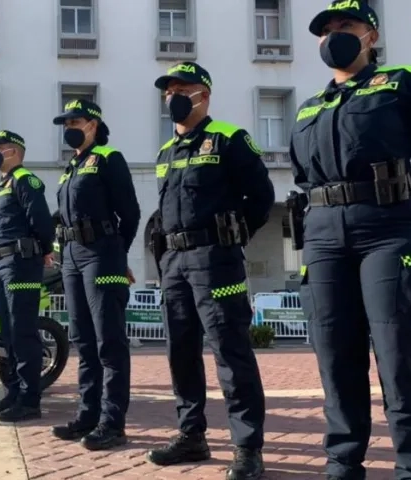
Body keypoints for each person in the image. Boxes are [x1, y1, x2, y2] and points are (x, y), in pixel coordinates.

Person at [288, 1, 411, 478]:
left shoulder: (404, 81)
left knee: (400, 354)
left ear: (371, 35)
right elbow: (303, 174)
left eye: (346, 25)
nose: (334, 35)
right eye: (326, 30)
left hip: (388, 229)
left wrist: (404, 189)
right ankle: (342, 464)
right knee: (334, 354)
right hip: (323, 234)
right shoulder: (310, 106)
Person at [146, 61, 274, 480]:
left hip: (215, 260)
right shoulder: (165, 153)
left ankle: (247, 447)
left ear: (204, 94)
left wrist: (230, 237)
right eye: (168, 91)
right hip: (175, 263)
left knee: (230, 353)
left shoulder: (229, 140)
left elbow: (260, 197)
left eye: (183, 89)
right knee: (180, 353)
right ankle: (191, 434)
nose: (173, 96)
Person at [49, 99, 141, 450]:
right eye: (65, 122)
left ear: (93, 124)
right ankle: (87, 415)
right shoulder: (72, 166)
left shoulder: (108, 158)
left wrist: (118, 254)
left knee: (109, 343)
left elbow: (130, 213)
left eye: (75, 121)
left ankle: (112, 423)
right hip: (71, 258)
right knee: (83, 342)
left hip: (102, 255)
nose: (68, 127)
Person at [0, 130, 55, 422]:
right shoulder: (4, 184)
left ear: (13, 151)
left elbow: (41, 221)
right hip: (3, 264)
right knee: (9, 333)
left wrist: (45, 249)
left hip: (21, 262)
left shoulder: (26, 180)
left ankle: (30, 400)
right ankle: (14, 392)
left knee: (23, 331)